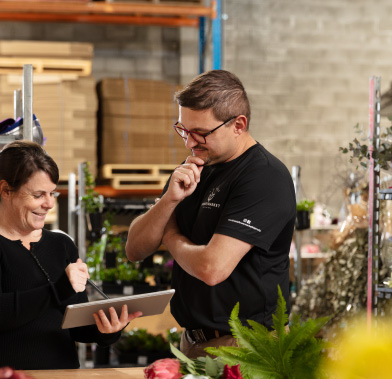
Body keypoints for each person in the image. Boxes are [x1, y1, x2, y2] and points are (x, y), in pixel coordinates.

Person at [125, 70, 296, 358]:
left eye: (201, 133)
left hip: (246, 347)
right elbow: (134, 249)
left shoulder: (264, 177)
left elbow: (212, 268)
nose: (190, 143)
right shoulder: (195, 166)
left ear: (239, 124)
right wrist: (167, 202)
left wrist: (171, 234)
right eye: (183, 130)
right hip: (193, 341)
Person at [0, 140, 141, 370]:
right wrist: (59, 289)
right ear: (6, 190)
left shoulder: (62, 244)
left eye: (52, 193)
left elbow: (75, 325)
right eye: (38, 195)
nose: (48, 204)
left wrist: (107, 330)